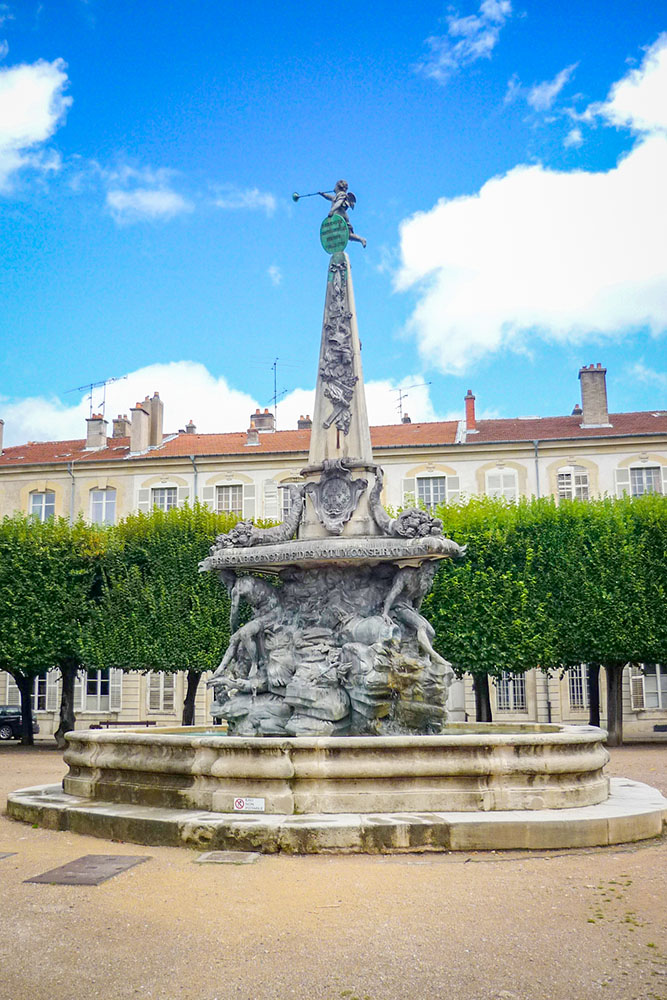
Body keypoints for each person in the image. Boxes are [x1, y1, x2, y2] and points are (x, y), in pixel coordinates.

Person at [319, 180, 367, 248]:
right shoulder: (336, 196)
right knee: (340, 234)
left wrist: (332, 210)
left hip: (341, 216)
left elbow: (339, 203)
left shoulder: (342, 195)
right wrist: (323, 194)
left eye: (335, 186)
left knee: (348, 234)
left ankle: (361, 239)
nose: (334, 188)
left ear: (338, 187)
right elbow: (330, 197)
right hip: (336, 217)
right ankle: (360, 239)